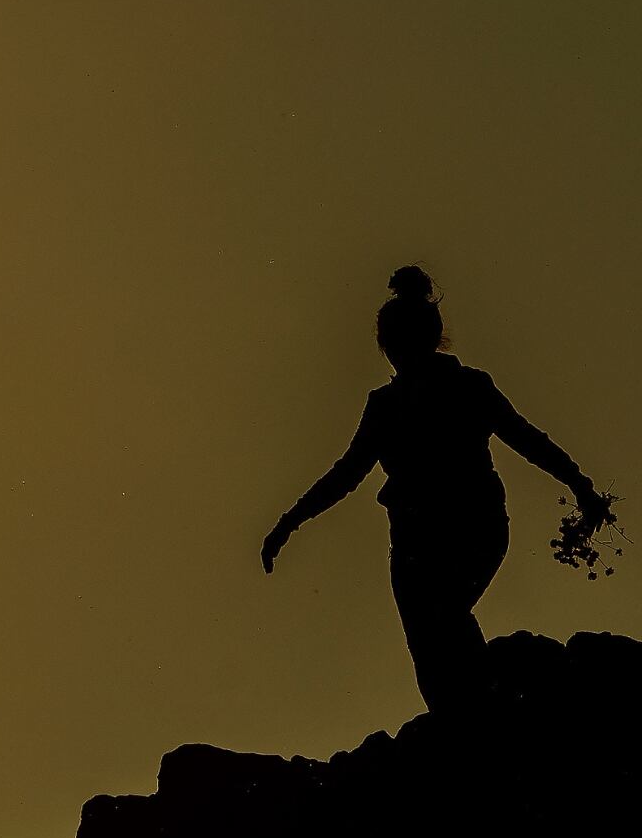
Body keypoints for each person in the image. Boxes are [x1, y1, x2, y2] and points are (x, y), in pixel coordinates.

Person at [261, 265, 610, 712]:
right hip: (444, 535)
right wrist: (581, 485)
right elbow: (529, 441)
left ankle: (484, 719)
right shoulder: (430, 395)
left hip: (442, 536)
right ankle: (472, 726)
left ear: (390, 345)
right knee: (435, 639)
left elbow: (346, 476)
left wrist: (288, 524)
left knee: (439, 630)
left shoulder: (429, 396)